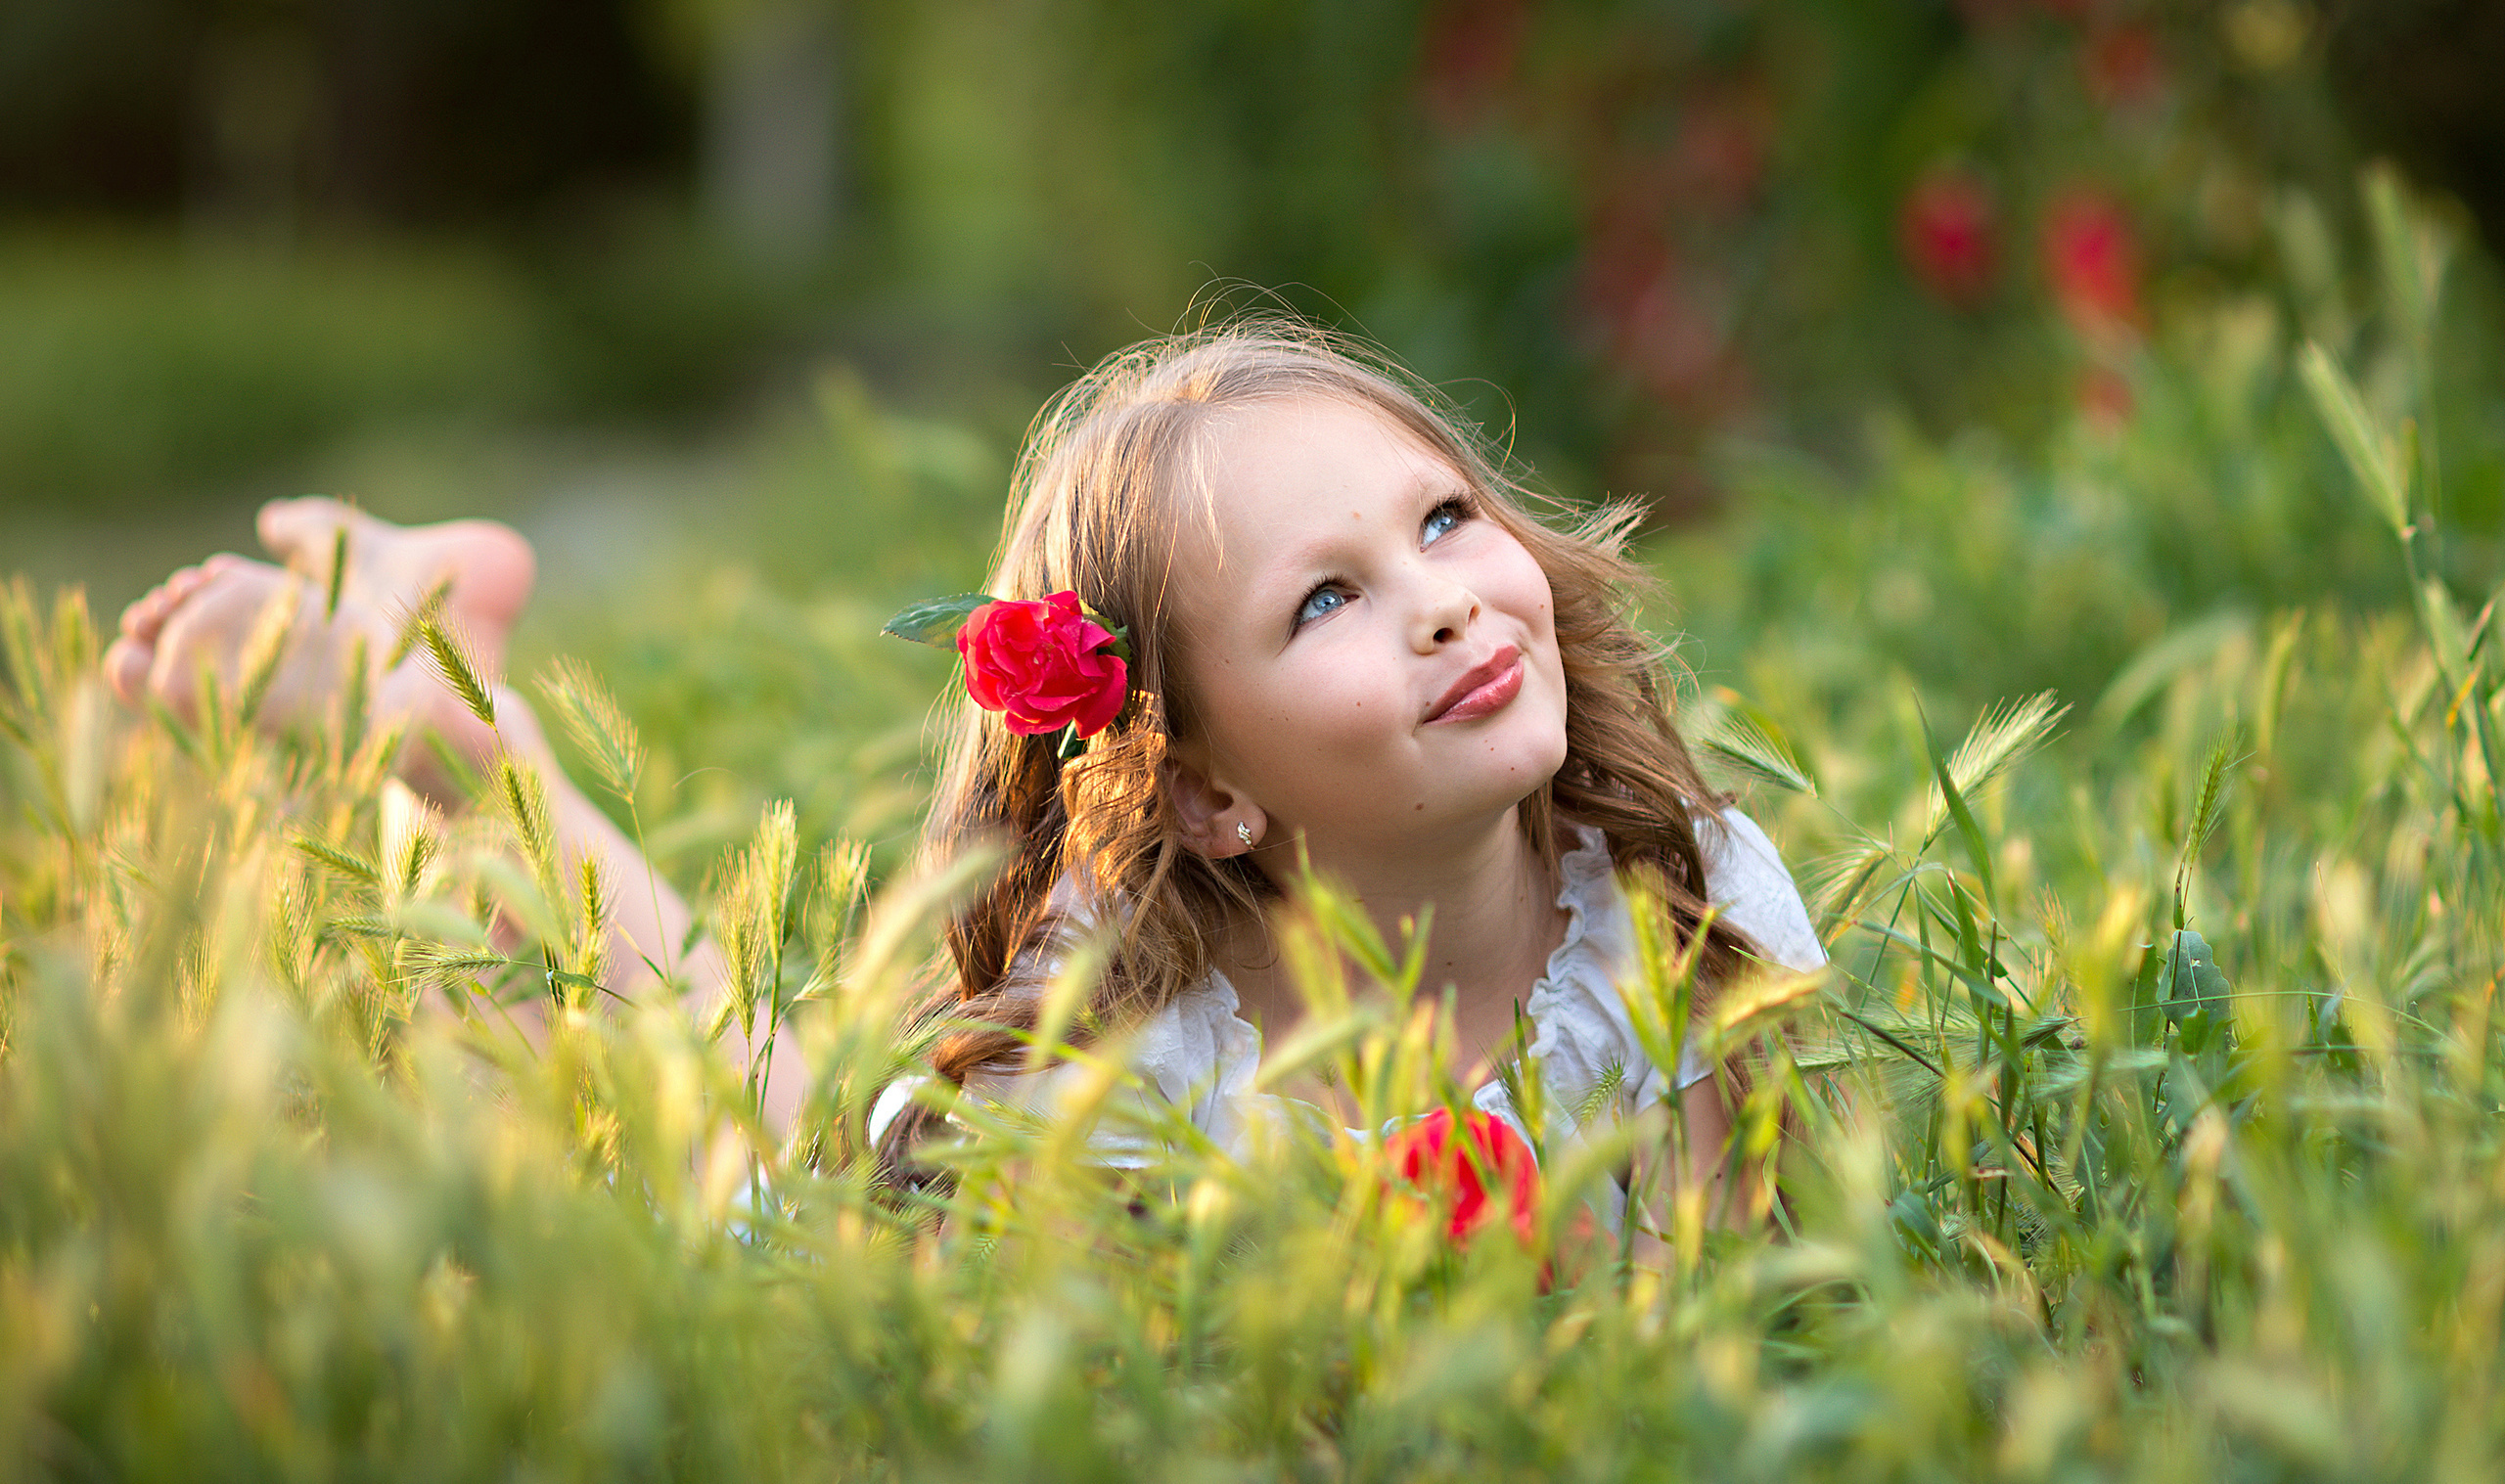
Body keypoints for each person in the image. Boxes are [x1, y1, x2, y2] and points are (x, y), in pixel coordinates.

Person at [101, 326, 1823, 1244]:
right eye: (1325, 599)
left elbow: (1734, 1270)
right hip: (931, 1218)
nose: (1443, 592)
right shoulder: (1137, 1096)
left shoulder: (1687, 905)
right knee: (718, 1101)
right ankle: (441, 724)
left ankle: (432, 662)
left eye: (1442, 519)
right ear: (1209, 788)